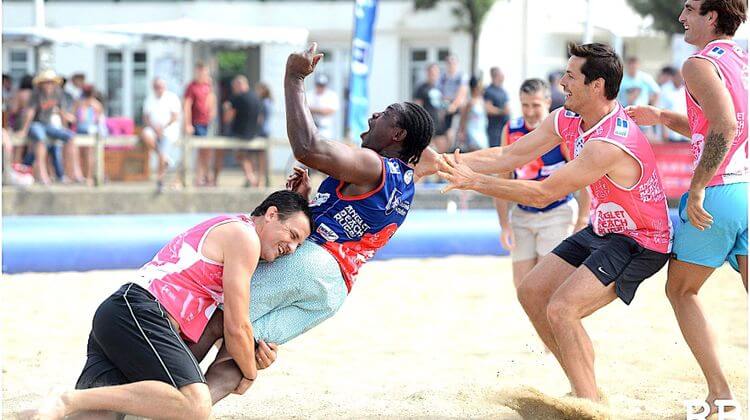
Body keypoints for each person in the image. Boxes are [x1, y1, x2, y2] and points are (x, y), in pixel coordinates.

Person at [179, 43, 435, 405]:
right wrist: (307, 203)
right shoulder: (403, 181)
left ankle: (158, 398)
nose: (374, 115)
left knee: (220, 320)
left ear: (398, 135)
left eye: (386, 114)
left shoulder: (373, 165)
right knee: (246, 348)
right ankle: (194, 409)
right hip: (333, 291)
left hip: (311, 263)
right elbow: (353, 224)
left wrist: (294, 78)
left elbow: (308, 147)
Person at [422, 43, 672, 402]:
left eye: (571, 76)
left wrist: (473, 181)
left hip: (642, 240)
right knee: (531, 292)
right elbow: (510, 154)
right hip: (605, 228)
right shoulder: (566, 118)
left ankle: (589, 403)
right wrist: (443, 162)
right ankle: (585, 385)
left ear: (596, 85)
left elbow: (543, 193)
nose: (562, 83)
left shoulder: (611, 142)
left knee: (562, 309)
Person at [26, 190, 313, 420]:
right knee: (196, 405)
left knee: (91, 417)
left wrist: (253, 356)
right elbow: (237, 327)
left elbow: (220, 331)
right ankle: (65, 398)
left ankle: (46, 409)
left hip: (120, 318)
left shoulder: (234, 231)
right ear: (271, 214)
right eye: (293, 236)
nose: (292, 248)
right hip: (139, 311)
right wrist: (250, 373)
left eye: (299, 245)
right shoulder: (244, 236)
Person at [626, 0, 747, 414]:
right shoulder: (744, 59)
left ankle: (720, 393)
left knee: (680, 290)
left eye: (690, 9)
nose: (681, 17)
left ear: (712, 17)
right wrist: (661, 116)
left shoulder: (698, 63)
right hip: (748, 188)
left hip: (719, 192)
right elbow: (715, 122)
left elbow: (726, 126)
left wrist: (695, 189)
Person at [494, 78, 590, 290]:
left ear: (547, 102)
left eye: (535, 105)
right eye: (525, 105)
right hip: (522, 213)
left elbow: (586, 177)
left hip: (557, 212)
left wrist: (582, 219)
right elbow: (503, 179)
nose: (529, 112)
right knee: (523, 287)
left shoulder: (562, 131)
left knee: (549, 286)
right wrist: (504, 224)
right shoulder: (511, 130)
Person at [16, 69, 83, 185]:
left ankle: (75, 172)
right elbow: (30, 113)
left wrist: (65, 127)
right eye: (46, 82)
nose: (49, 84)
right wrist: (24, 130)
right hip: (35, 123)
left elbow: (62, 112)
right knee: (41, 139)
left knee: (70, 137)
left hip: (48, 125)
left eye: (51, 82)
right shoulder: (36, 94)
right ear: (41, 83)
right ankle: (42, 174)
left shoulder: (58, 93)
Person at [141, 77, 182, 191]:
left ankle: (160, 181)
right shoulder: (149, 99)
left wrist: (162, 128)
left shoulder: (172, 98)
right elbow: (146, 117)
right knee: (146, 135)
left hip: (169, 130)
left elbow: (175, 116)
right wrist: (155, 128)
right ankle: (165, 161)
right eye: (156, 87)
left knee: (162, 153)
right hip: (153, 130)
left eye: (160, 87)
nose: (158, 89)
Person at [222, 75, 262, 187]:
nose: (233, 89)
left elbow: (228, 118)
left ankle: (251, 179)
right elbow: (260, 118)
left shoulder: (238, 98)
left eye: (234, 86)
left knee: (240, 156)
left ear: (238, 85)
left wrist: (226, 108)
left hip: (240, 134)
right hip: (254, 134)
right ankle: (254, 179)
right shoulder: (256, 97)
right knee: (250, 157)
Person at [184, 62, 217, 187]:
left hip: (206, 123)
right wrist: (187, 124)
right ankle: (199, 177)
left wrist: (212, 113)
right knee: (201, 150)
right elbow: (187, 105)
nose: (203, 74)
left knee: (207, 151)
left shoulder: (208, 86)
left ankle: (205, 175)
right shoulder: (192, 87)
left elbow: (211, 100)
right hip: (196, 123)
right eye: (201, 72)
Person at [74, 84, 106, 184]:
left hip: (88, 132)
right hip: (83, 131)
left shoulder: (87, 104)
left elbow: (97, 120)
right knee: (86, 155)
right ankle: (86, 177)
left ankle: (89, 177)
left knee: (87, 155)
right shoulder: (94, 104)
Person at [413, 63, 448, 152]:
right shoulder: (421, 88)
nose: (433, 74)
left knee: (443, 154)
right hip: (428, 125)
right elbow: (417, 108)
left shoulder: (441, 88)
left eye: (436, 72)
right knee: (430, 154)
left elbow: (444, 105)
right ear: (427, 73)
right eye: (431, 72)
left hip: (440, 125)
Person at [655, 66, 688, 142]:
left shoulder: (685, 90)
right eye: (679, 76)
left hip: (684, 134)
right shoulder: (665, 90)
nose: (681, 79)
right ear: (673, 77)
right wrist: (664, 131)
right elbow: (661, 111)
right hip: (670, 132)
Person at [439, 55, 469, 140]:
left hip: (458, 106)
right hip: (446, 105)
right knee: (447, 131)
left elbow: (462, 92)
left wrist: (454, 105)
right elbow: (439, 92)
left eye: (453, 63)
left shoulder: (462, 75)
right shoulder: (443, 76)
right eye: (449, 63)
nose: (451, 65)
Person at [456, 76, 489, 151]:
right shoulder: (470, 103)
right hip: (472, 131)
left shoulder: (481, 101)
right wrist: (462, 132)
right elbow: (463, 118)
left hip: (481, 130)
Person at [484, 66, 511, 148]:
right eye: (501, 75)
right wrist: (502, 112)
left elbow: (507, 106)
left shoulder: (502, 91)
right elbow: (488, 108)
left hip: (504, 127)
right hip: (494, 129)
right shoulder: (489, 90)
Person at [308, 73, 340, 140]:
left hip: (325, 130)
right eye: (319, 85)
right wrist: (321, 110)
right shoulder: (309, 94)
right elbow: (305, 110)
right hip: (311, 129)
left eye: (322, 85)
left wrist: (313, 110)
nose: (320, 87)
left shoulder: (331, 95)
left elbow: (328, 111)